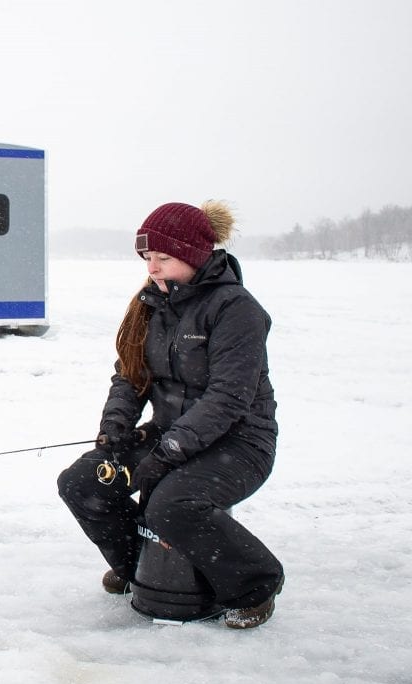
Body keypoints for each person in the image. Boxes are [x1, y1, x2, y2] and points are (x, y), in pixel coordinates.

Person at [57, 201, 284, 629]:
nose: (153, 268)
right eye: (147, 258)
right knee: (82, 482)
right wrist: (116, 430)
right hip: (168, 436)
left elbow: (229, 398)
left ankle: (256, 585)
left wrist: (168, 452)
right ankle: (136, 563)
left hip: (239, 442)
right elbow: (130, 376)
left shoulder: (236, 309)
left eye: (164, 258)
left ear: (195, 256)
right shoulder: (151, 304)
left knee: (172, 505)